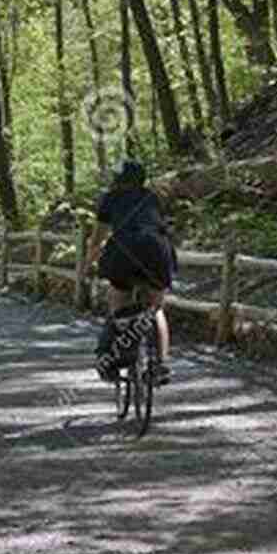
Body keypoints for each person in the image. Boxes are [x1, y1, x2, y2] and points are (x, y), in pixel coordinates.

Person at [85, 160, 175, 385]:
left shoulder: (110, 199)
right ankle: (161, 364)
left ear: (118, 179)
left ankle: (114, 356)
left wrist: (89, 264)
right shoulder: (153, 197)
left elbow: (97, 239)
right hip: (156, 251)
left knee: (118, 301)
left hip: (124, 252)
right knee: (156, 308)